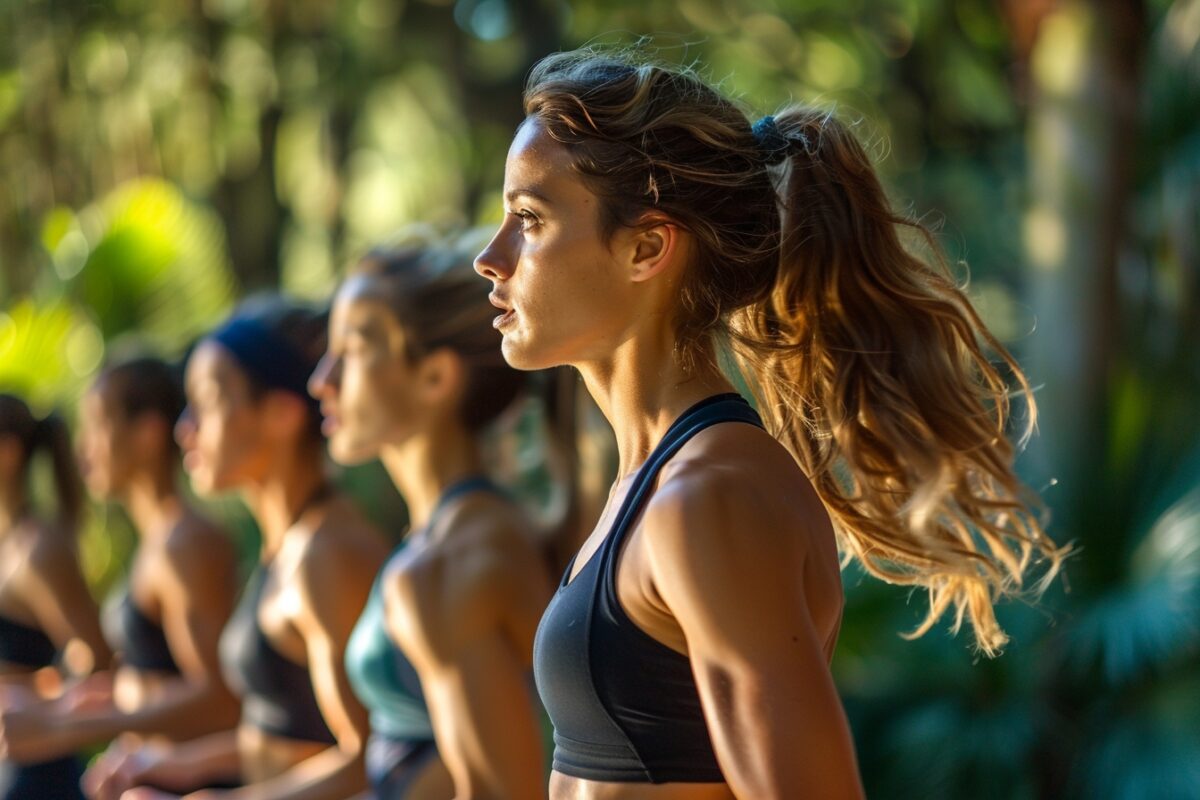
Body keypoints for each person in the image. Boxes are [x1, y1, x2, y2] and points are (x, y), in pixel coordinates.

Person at [473, 47, 1069, 800]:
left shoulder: (706, 499)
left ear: (648, 246)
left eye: (529, 219)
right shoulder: (657, 485)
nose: (491, 258)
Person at [95, 298, 388, 800]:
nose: (184, 428)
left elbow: (368, 761)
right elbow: (285, 737)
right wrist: (177, 764)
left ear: (280, 413)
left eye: (209, 401)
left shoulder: (328, 553)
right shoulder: (289, 543)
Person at [308, 235, 552, 799]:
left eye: (354, 348)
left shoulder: (457, 558)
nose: (322, 378)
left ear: (435, 378)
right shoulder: (440, 539)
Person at [0, 358, 241, 782]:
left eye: (97, 425)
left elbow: (219, 699)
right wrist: (68, 703)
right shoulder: (158, 541)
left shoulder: (183, 541)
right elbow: (154, 680)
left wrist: (65, 727)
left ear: (147, 433)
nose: (83, 448)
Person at [0, 393, 109, 800]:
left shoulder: (39, 548)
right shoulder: (8, 542)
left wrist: (35, 696)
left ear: (8, 452)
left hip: (40, 774)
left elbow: (96, 657)